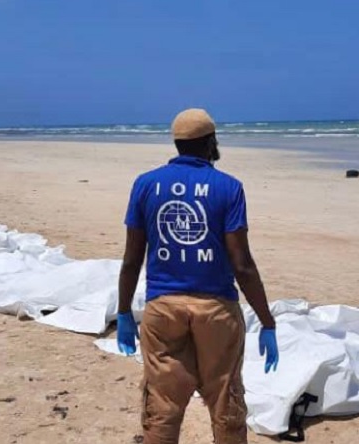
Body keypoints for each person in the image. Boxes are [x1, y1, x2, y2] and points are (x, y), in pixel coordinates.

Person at [116, 108, 279, 444]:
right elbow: (242, 264)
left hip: (163, 308)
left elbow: (132, 260)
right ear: (211, 143)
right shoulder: (229, 188)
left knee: (162, 407)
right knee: (225, 402)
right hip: (216, 309)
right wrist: (267, 322)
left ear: (177, 144)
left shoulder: (145, 185)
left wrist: (124, 312)